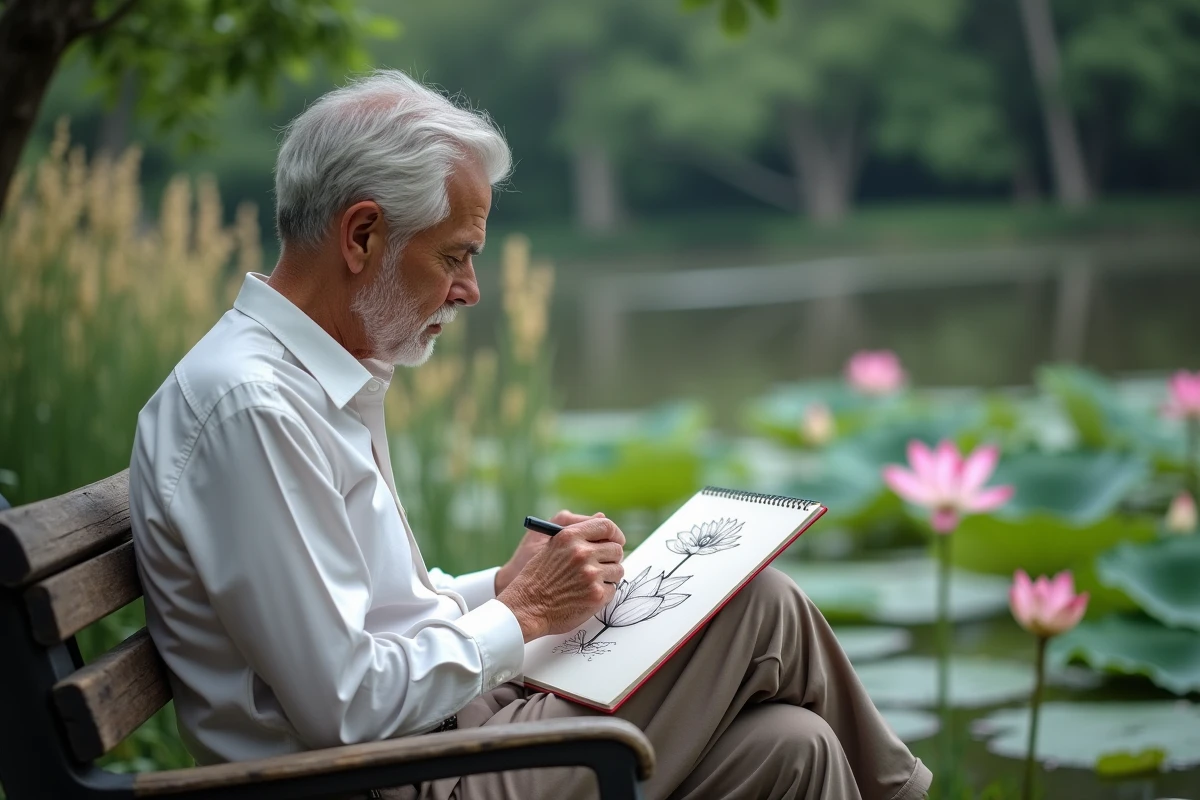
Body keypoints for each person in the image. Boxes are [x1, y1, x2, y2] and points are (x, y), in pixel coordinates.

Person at [128, 70, 932, 800]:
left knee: (795, 749)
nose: (471, 290)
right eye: (456, 255)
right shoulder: (254, 406)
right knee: (756, 601)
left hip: (434, 743)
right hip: (387, 777)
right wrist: (528, 614)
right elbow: (347, 705)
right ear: (362, 235)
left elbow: (366, 620)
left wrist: (502, 588)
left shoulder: (308, 381)